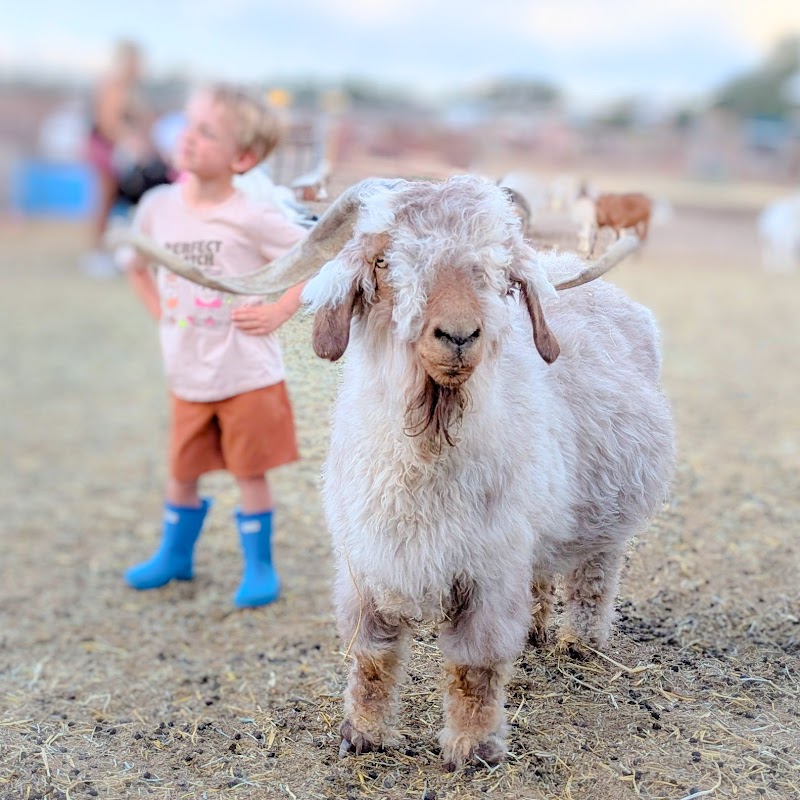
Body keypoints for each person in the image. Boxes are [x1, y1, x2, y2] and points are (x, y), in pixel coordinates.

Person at [121, 84, 307, 607]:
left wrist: (279, 310)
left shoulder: (252, 216)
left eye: (207, 132)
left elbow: (313, 261)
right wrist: (162, 314)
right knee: (181, 471)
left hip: (246, 373)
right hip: (187, 373)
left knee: (249, 472)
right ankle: (174, 555)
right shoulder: (157, 206)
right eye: (189, 124)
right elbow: (135, 265)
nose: (189, 138)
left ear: (241, 158)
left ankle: (260, 567)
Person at [84, 40, 169, 277]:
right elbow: (108, 123)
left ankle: (127, 251)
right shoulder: (112, 86)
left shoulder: (133, 89)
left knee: (121, 202)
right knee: (105, 200)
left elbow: (145, 120)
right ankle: (97, 255)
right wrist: (131, 140)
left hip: (124, 151)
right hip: (105, 149)